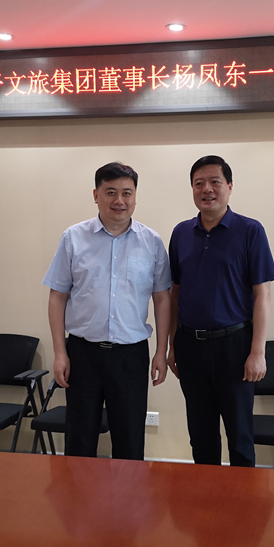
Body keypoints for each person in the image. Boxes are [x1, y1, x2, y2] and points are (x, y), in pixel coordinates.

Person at [43, 162, 171, 460]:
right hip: (82, 354)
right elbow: (57, 297)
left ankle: (127, 492)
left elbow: (163, 299)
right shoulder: (73, 238)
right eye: (111, 192)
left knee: (129, 439)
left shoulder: (151, 242)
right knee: (80, 437)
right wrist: (60, 352)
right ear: (96, 195)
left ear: (135, 197)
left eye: (127, 193)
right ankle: (78, 492)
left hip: (130, 356)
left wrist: (161, 352)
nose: (119, 200)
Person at [167, 155, 274, 467]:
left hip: (235, 347)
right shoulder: (181, 233)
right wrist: (173, 346)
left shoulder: (250, 230)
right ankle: (206, 496)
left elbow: (262, 295)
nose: (207, 189)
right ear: (192, 189)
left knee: (239, 435)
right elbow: (175, 293)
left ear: (229, 186)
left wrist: (257, 352)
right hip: (190, 346)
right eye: (199, 183)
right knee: (200, 434)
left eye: (215, 182)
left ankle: (244, 497)